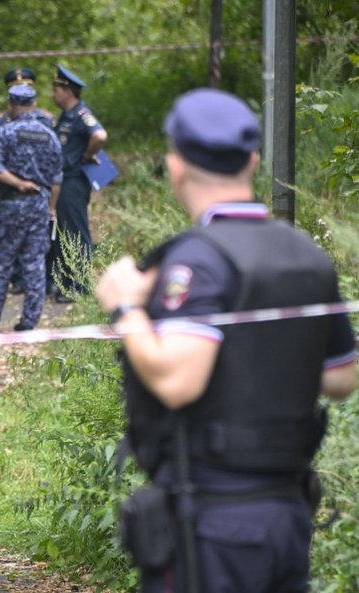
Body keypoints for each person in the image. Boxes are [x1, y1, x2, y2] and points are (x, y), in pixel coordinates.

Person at [95, 88, 356, 593]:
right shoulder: (305, 253)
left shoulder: (200, 262)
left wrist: (125, 307)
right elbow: (341, 377)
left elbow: (178, 381)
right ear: (253, 161)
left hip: (212, 520)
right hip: (287, 510)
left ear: (175, 166)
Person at [0, 84, 62, 332]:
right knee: (35, 261)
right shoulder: (49, 135)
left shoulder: (6, 132)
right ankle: (29, 321)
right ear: (34, 105)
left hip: (12, 205)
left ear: (11, 106)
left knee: (0, 261)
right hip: (39, 204)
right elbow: (57, 178)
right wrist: (51, 208)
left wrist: (19, 183)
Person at [0, 67, 55, 295]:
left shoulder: (46, 121)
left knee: (34, 248)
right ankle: (18, 283)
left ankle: (36, 286)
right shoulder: (1, 123)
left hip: (36, 194)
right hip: (10, 194)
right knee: (7, 246)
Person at [48, 64, 107, 302]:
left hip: (74, 181)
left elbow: (100, 135)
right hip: (64, 181)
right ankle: (69, 282)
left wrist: (85, 156)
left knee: (75, 231)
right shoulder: (67, 115)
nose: (53, 93)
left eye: (57, 88)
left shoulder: (82, 114)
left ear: (68, 91)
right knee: (66, 231)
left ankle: (79, 286)